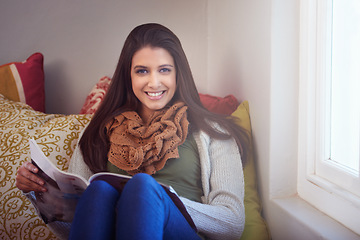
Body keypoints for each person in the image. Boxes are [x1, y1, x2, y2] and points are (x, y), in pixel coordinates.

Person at [16, 23, 248, 240]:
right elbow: (76, 227)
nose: (154, 82)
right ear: (129, 76)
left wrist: (159, 200)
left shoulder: (213, 131)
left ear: (178, 74)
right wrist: (41, 195)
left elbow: (232, 223)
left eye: (164, 70)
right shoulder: (98, 131)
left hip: (181, 232)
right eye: (142, 71)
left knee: (142, 186)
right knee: (98, 190)